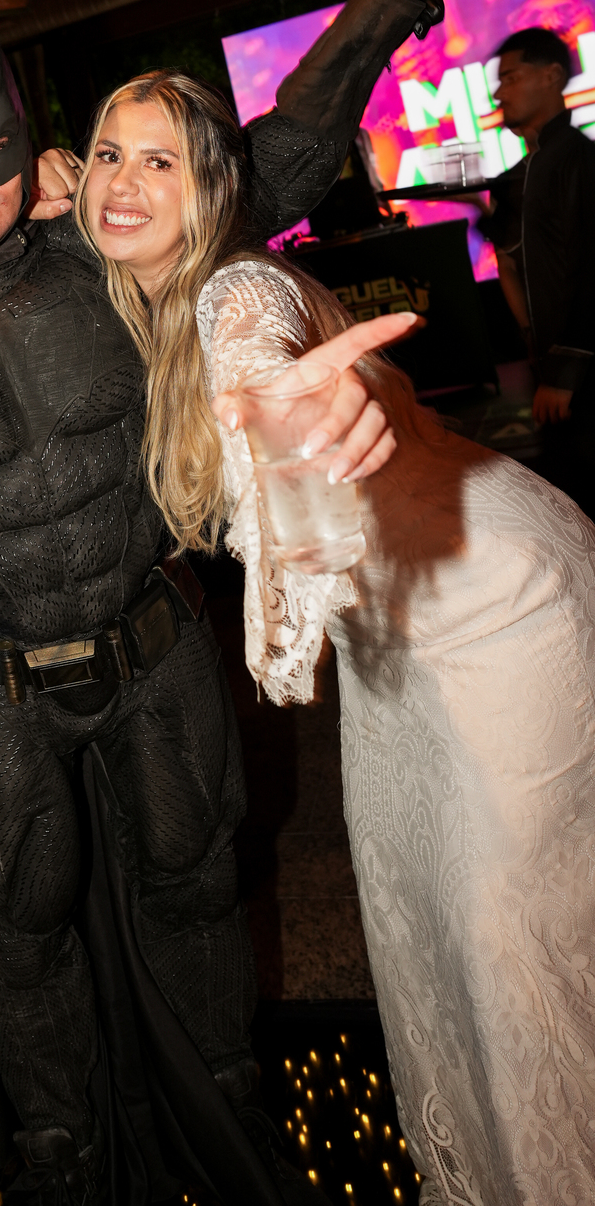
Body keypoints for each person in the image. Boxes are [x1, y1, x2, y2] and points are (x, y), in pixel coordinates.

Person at [0, 0, 455, 1206]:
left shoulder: (94, 259)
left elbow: (265, 166)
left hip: (149, 643)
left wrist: (380, 9)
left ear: (28, 134)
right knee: (21, 943)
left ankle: (228, 1138)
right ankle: (68, 1166)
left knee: (197, 897)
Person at [77, 67, 595, 1206]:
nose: (123, 182)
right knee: (429, 925)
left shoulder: (234, 292)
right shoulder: (153, 296)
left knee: (514, 945)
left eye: (162, 161)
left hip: (498, 607)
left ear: (215, 190)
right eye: (110, 154)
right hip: (399, 640)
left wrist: (301, 417)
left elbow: (263, 364)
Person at [483, 25, 595, 516]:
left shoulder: (582, 160)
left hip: (583, 373)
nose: (498, 92)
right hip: (548, 366)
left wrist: (563, 372)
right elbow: (512, 265)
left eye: (510, 77)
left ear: (552, 76)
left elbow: (590, 270)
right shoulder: (516, 177)